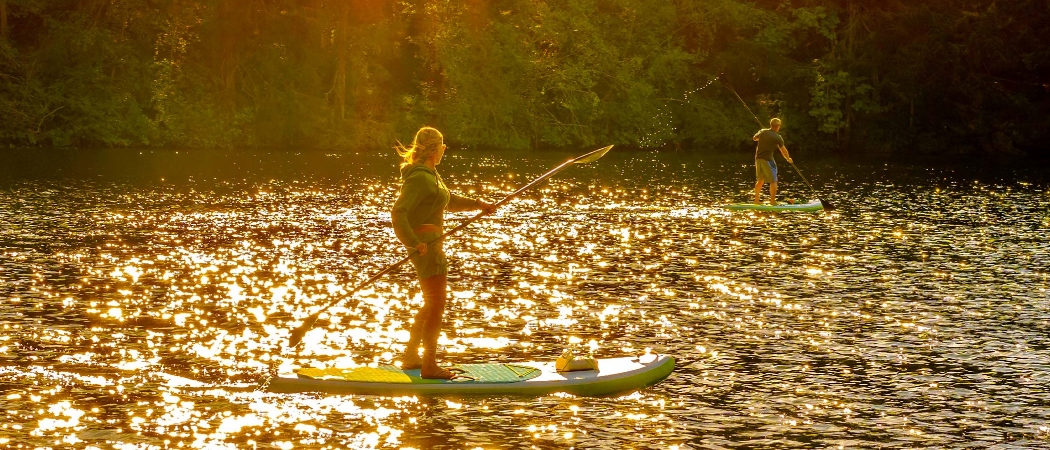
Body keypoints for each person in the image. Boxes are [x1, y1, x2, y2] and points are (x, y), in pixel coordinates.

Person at [391, 126, 495, 379]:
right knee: (437, 305)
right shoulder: (419, 177)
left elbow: (447, 200)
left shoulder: (431, 175)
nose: (445, 149)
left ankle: (411, 357)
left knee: (431, 304)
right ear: (435, 149)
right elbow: (398, 212)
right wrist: (413, 243)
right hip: (426, 247)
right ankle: (429, 365)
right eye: (443, 146)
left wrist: (477, 205)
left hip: (433, 245)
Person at [752, 118, 794, 205]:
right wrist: (788, 158)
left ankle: (756, 200)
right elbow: (783, 150)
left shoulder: (763, 132)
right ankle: (772, 201)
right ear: (777, 126)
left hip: (758, 159)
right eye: (779, 125)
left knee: (760, 180)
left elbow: (755, 138)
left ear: (771, 125)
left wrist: (762, 134)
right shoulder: (777, 137)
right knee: (773, 181)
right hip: (768, 160)